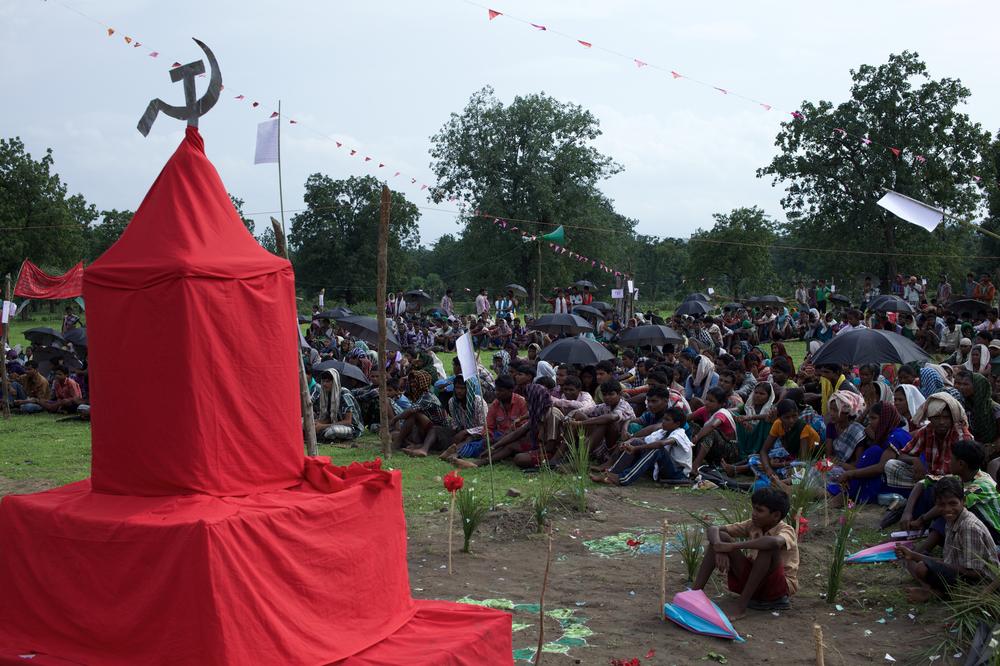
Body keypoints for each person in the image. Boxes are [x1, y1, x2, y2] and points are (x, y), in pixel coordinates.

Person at [691, 487, 799, 619]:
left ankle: (741, 607)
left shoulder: (787, 530)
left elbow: (774, 542)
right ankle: (695, 593)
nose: (754, 513)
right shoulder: (752, 524)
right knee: (721, 536)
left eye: (759, 510)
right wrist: (719, 547)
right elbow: (713, 529)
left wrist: (731, 546)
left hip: (777, 587)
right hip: (754, 581)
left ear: (776, 515)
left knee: (768, 547)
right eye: (753, 508)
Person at [895, 475, 998, 601]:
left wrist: (926, 561)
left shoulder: (969, 527)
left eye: (953, 503)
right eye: (941, 505)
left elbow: (976, 573)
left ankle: (934, 593)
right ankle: (934, 590)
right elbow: (949, 560)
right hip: (962, 570)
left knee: (921, 567)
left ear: (963, 501)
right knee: (911, 561)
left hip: (980, 582)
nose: (947, 509)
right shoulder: (951, 520)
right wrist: (913, 555)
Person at [883, 393, 972, 491]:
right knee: (891, 465)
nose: (942, 422)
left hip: (954, 482)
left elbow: (967, 470)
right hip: (931, 477)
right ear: (930, 419)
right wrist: (914, 460)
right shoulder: (925, 431)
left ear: (952, 419)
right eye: (937, 418)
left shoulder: (961, 436)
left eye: (946, 417)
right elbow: (902, 454)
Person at [835, 401, 911, 504]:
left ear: (885, 419)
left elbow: (881, 467)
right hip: (893, 481)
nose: (870, 422)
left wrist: (851, 474)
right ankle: (843, 493)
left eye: (874, 418)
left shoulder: (896, 436)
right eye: (869, 418)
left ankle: (844, 495)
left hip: (902, 487)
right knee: (874, 452)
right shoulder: (892, 434)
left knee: (874, 452)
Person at [595, 407, 692, 485]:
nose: (663, 421)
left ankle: (623, 478)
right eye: (663, 418)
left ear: (677, 424)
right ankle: (612, 473)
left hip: (677, 473)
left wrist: (636, 448)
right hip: (662, 468)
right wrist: (629, 442)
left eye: (667, 420)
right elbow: (645, 439)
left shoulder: (680, 433)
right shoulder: (663, 431)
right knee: (636, 441)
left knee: (657, 449)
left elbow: (661, 444)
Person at [570, 379, 635, 463]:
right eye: (604, 394)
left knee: (605, 422)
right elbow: (585, 410)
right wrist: (568, 417)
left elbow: (612, 417)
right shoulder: (605, 406)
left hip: (620, 444)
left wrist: (581, 423)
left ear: (620, 394)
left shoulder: (624, 406)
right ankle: (560, 455)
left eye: (611, 394)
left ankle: (579, 459)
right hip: (603, 442)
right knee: (579, 415)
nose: (607, 397)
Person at [688, 387, 740, 473]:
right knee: (690, 426)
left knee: (711, 432)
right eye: (707, 399)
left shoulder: (722, 413)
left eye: (711, 401)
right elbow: (686, 418)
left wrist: (696, 437)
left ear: (721, 404)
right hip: (714, 448)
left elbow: (713, 425)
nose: (707, 403)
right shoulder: (705, 409)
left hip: (729, 452)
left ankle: (695, 466)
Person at [314, 368, 364, 443]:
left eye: (328, 381)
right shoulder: (327, 395)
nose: (324, 384)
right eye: (323, 381)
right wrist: (318, 424)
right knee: (311, 424)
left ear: (334, 382)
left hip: (353, 428)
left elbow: (348, 422)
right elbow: (330, 418)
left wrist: (322, 426)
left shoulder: (344, 394)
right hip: (336, 424)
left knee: (332, 431)